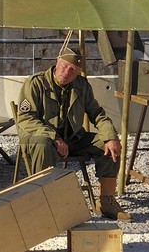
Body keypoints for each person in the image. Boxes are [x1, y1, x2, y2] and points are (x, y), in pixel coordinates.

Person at [15, 47, 125, 220]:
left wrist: (110, 136)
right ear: (57, 63)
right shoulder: (36, 83)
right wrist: (54, 137)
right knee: (43, 144)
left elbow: (97, 114)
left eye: (72, 70)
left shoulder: (81, 85)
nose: (67, 72)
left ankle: (106, 200)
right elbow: (26, 118)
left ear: (78, 73)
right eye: (64, 66)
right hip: (41, 139)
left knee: (110, 146)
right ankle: (41, 201)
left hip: (72, 139)